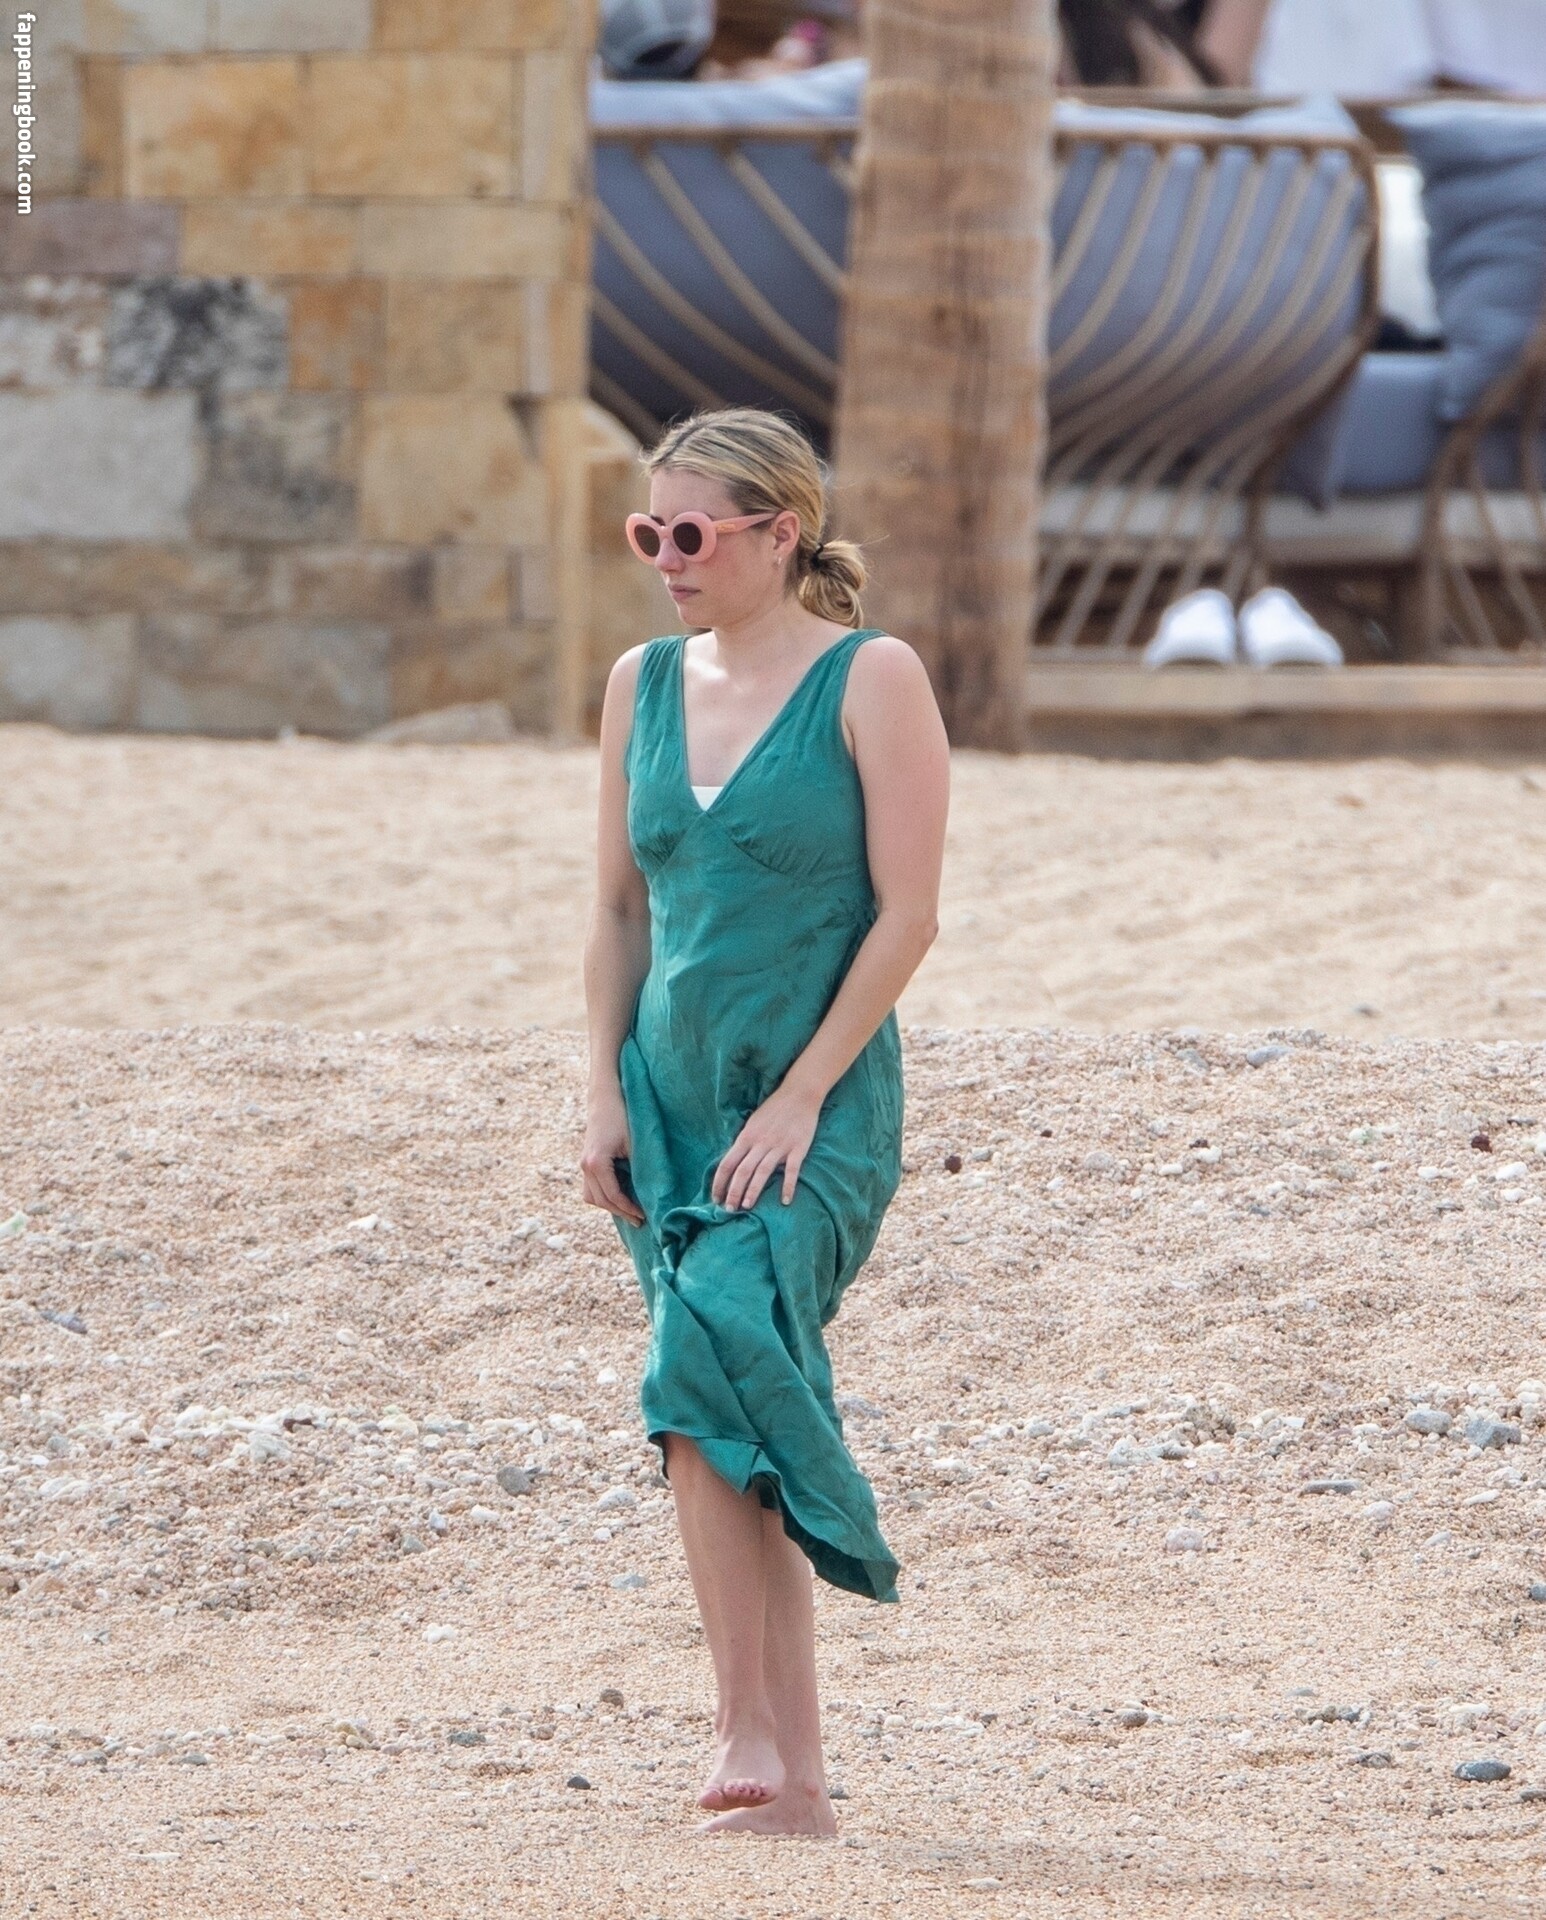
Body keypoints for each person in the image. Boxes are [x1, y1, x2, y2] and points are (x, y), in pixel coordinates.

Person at [581, 406, 949, 1835]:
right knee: (711, 1404)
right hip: (669, 1101)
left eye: (690, 532)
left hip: (816, 1105)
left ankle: (754, 1731)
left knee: (712, 1344)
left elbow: (908, 916)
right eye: (648, 532)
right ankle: (785, 1771)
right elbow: (619, 912)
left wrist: (802, 1095)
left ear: (779, 532)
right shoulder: (639, 683)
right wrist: (599, 1089)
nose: (665, 559)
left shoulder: (872, 677)